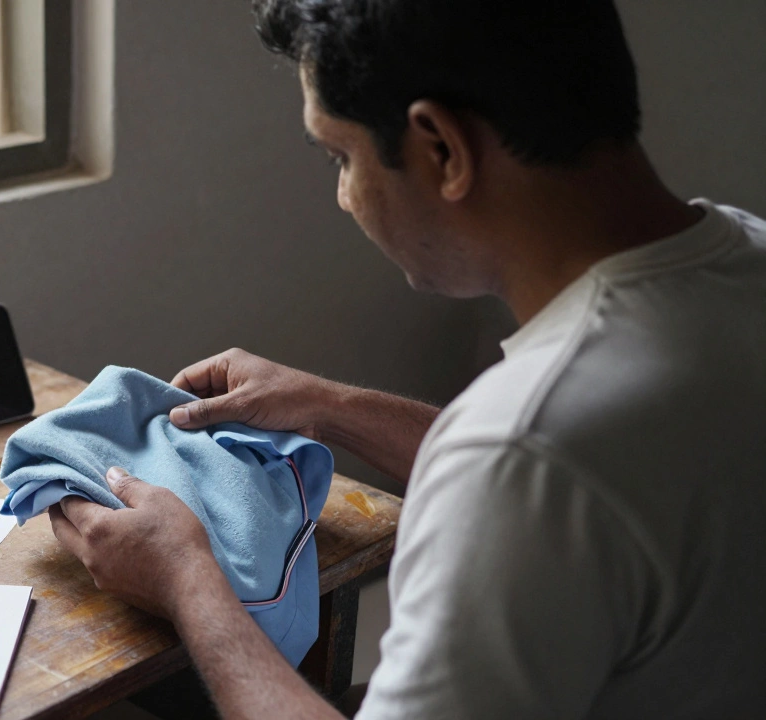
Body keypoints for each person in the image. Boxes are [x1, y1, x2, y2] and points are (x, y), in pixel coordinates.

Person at [47, 0, 766, 718]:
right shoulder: (745, 259)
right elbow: (600, 481)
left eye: (341, 157)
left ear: (442, 149)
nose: (343, 196)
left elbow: (532, 468)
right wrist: (331, 407)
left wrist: (188, 580)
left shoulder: (523, 452)